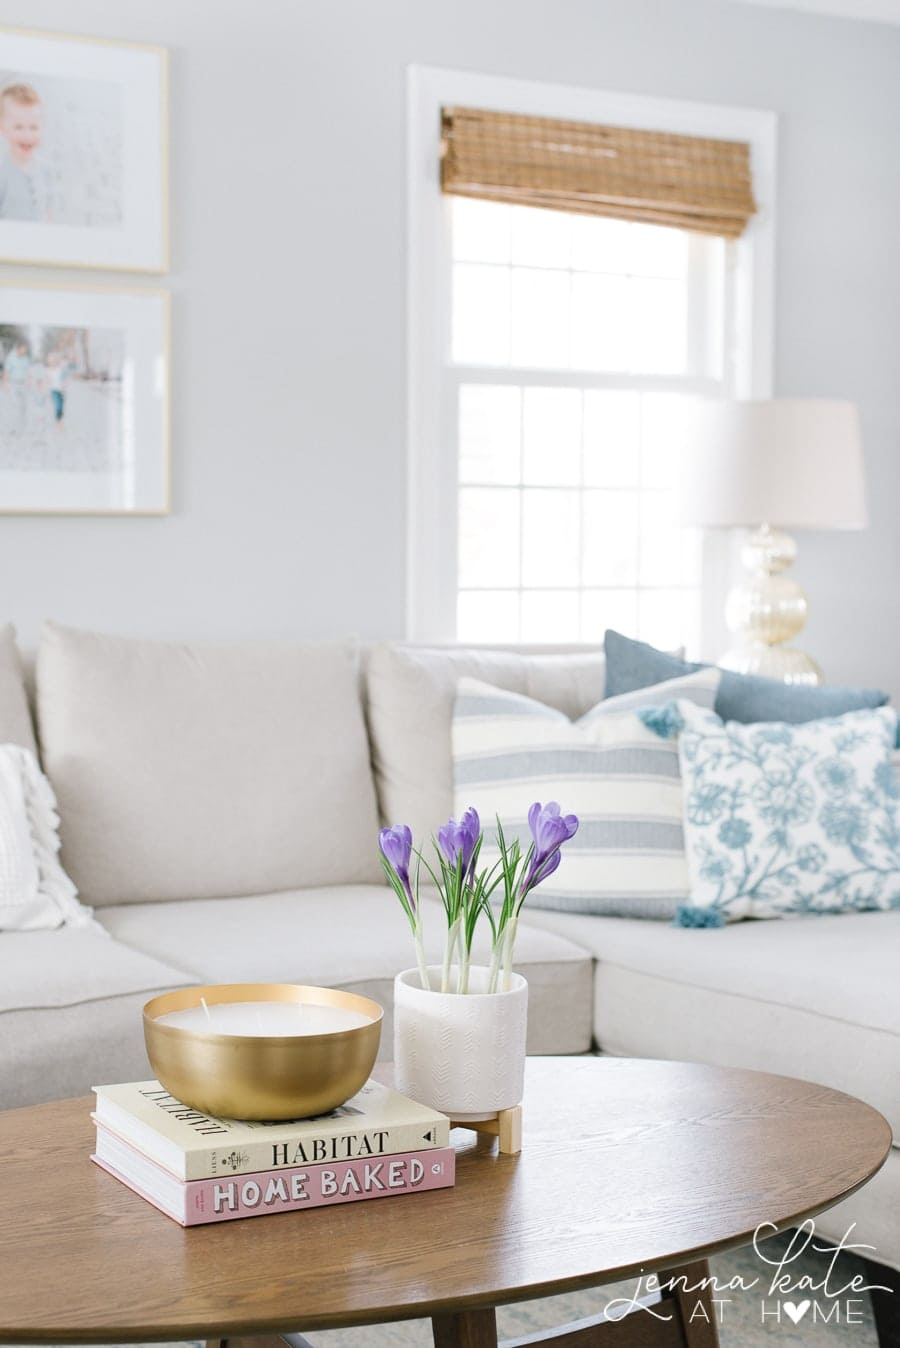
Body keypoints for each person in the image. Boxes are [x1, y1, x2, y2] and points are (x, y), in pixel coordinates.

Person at [0, 83, 43, 221]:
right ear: (3, 128)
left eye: (33, 127)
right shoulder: (3, 174)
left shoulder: (42, 167)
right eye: (18, 127)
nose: (27, 135)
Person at [3, 341, 31, 437]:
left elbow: (28, 371)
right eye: (24, 348)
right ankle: (14, 428)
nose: (25, 350)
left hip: (23, 384)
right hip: (13, 384)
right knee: (15, 405)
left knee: (23, 406)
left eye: (26, 349)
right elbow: (6, 371)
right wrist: (5, 384)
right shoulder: (11, 357)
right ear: (19, 348)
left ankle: (22, 425)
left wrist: (28, 381)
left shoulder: (26, 358)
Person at [47, 350, 69, 425]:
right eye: (51, 360)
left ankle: (60, 418)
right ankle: (58, 420)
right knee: (57, 405)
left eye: (54, 360)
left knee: (61, 406)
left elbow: (64, 379)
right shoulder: (49, 371)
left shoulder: (60, 369)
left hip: (61, 390)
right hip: (54, 390)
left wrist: (64, 387)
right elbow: (48, 381)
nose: (53, 361)